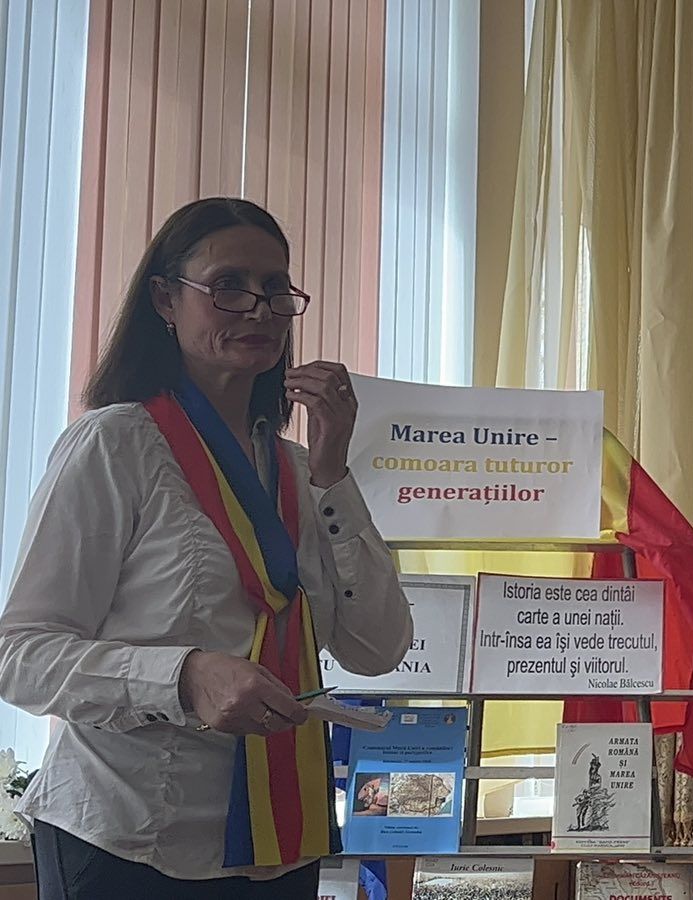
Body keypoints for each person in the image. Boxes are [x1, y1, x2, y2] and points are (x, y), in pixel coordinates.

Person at [0, 198, 414, 898]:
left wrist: (333, 473)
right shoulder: (115, 444)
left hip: (281, 837)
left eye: (275, 288)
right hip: (130, 836)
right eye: (228, 286)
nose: (259, 309)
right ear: (166, 299)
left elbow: (377, 648)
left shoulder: (298, 471)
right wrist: (184, 676)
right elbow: (21, 656)